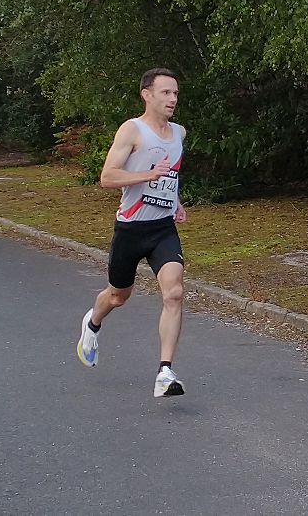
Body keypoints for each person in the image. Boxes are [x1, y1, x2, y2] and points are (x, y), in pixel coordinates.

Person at [76, 68, 188, 398]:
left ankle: (165, 372)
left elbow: (170, 174)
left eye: (176, 94)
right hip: (130, 228)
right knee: (117, 296)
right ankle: (92, 323)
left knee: (174, 293)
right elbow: (107, 177)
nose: (173, 99)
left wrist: (176, 201)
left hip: (162, 229)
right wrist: (146, 176)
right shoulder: (132, 130)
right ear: (147, 95)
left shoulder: (178, 133)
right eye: (166, 93)